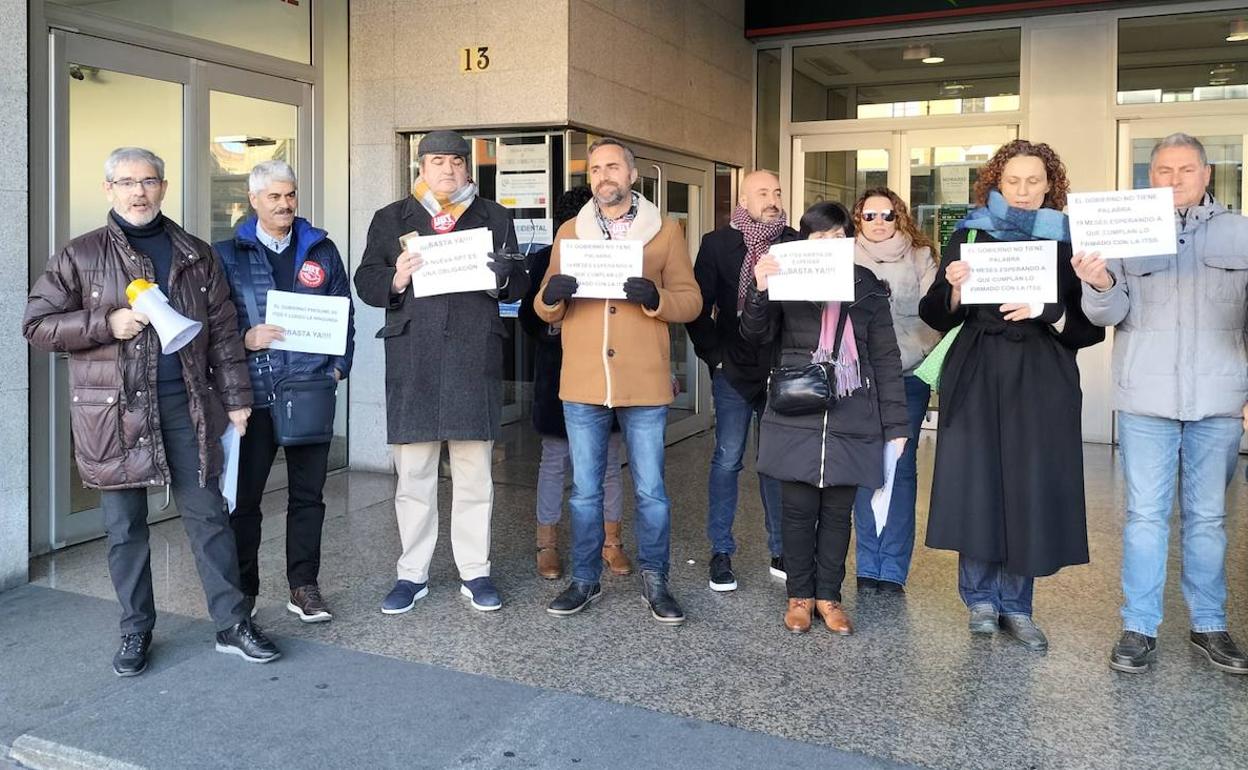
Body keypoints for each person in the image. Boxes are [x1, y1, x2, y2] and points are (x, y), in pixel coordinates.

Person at [23, 146, 280, 675]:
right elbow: (37, 325)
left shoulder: (195, 253)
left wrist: (236, 400)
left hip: (186, 405)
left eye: (149, 181)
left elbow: (226, 333)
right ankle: (135, 630)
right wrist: (104, 323)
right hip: (112, 413)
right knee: (124, 528)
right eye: (127, 182)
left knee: (209, 517)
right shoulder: (80, 255)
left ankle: (232, 624)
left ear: (163, 187)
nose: (139, 191)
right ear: (109, 190)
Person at [918, 139, 1104, 652]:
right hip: (978, 369)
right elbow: (934, 312)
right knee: (977, 484)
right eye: (1013, 181)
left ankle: (1017, 606)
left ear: (1051, 186)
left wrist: (1048, 311)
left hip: (1042, 374)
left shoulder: (1070, 241)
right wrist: (954, 288)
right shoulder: (970, 231)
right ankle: (979, 600)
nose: (1023, 192)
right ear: (997, 182)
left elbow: (1090, 328)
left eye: (1034, 181)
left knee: (1029, 487)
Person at [1074, 133, 1248, 675]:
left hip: (1219, 398)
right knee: (1145, 517)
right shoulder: (1125, 232)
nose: (1174, 180)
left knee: (1208, 519)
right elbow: (1107, 314)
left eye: (1186, 170)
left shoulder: (1241, 233)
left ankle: (1210, 625)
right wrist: (1098, 280)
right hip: (1145, 398)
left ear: (1207, 174)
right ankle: (1139, 627)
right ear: (1150, 177)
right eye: (1163, 170)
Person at [354, 130, 529, 614]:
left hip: (474, 356)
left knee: (475, 475)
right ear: (421, 167)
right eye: (437, 161)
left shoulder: (494, 216)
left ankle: (475, 571)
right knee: (414, 475)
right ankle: (412, 574)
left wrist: (504, 275)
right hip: (415, 357)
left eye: (456, 161)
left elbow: (519, 280)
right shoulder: (392, 218)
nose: (448, 170)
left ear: (468, 168)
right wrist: (397, 277)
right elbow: (366, 280)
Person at [536, 137, 702, 624]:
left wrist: (657, 299)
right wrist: (553, 295)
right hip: (584, 380)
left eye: (612, 167)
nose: (603, 176)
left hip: (644, 379)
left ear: (632, 175)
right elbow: (543, 306)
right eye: (594, 170)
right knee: (584, 491)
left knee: (651, 490)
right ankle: (585, 580)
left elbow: (690, 300)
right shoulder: (571, 230)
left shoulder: (665, 231)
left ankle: (656, 580)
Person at [740, 201, 908, 635]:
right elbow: (755, 336)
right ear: (804, 240)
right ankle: (798, 595)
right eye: (820, 235)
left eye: (838, 235)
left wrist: (897, 426)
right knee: (796, 511)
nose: (829, 242)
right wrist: (759, 290)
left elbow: (886, 359)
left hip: (854, 410)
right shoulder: (787, 277)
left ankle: (828, 596)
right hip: (797, 407)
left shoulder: (868, 286)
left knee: (837, 514)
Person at [215, 160, 355, 623]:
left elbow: (343, 314)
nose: (285, 204)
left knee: (309, 497)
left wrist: (337, 371)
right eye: (274, 196)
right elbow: (212, 327)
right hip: (250, 396)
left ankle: (304, 587)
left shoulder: (322, 250)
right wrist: (244, 339)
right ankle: (244, 594)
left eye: (290, 194)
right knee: (245, 503)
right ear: (254, 200)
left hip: (310, 390)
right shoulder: (226, 254)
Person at [686, 170, 799, 592]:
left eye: (777, 191)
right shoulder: (718, 244)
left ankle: (781, 548)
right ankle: (721, 550)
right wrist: (713, 358)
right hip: (732, 368)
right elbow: (698, 307)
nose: (772, 199)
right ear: (743, 198)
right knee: (727, 460)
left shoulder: (794, 241)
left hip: (781, 367)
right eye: (763, 192)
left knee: (773, 463)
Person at [518, 186, 630, 580]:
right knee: (555, 461)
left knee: (610, 463)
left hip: (609, 371)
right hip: (559, 374)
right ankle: (546, 543)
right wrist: (551, 304)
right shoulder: (544, 258)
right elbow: (529, 321)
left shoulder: (622, 253)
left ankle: (611, 541)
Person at [849, 188, 940, 594]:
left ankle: (893, 570)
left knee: (900, 469)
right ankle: (869, 563)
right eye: (870, 216)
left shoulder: (922, 256)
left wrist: (912, 351)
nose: (879, 222)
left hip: (908, 375)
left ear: (899, 215)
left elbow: (934, 316)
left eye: (887, 214)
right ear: (858, 219)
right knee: (865, 467)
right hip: (859, 378)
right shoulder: (844, 254)